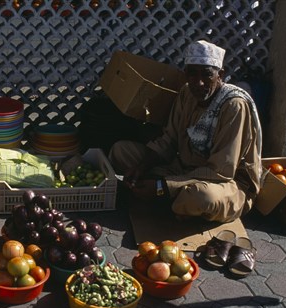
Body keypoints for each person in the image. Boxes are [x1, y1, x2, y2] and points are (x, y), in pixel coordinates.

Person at [109, 40, 262, 275]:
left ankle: (167, 198)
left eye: (206, 75)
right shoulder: (187, 93)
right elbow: (169, 139)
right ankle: (169, 199)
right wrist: (142, 165)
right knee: (121, 151)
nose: (198, 82)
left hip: (224, 183)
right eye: (191, 74)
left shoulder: (234, 106)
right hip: (182, 169)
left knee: (199, 197)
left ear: (220, 74)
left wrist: (162, 187)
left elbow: (221, 171)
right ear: (185, 74)